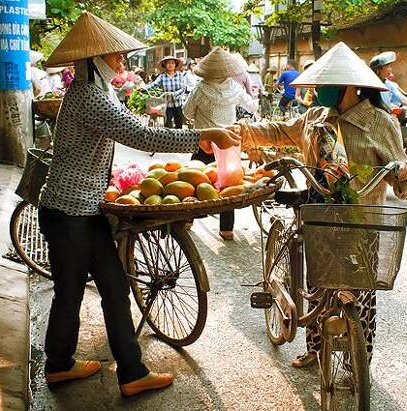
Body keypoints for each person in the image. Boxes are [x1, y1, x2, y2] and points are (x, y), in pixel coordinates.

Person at [39, 12, 240, 398]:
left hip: (86, 209)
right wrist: (201, 135)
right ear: (94, 59)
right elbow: (137, 132)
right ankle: (60, 365)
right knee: (72, 291)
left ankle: (128, 372)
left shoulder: (98, 91)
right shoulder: (87, 95)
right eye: (114, 56)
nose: (121, 62)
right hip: (68, 211)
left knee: (114, 287)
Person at [236, 42, 407, 368]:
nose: (317, 90)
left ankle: (357, 363)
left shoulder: (380, 122)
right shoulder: (315, 117)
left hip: (363, 222)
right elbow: (279, 131)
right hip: (319, 214)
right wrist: (242, 132)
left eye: (323, 85)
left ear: (347, 85)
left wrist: (404, 171)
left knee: (360, 296)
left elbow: (403, 181)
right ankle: (315, 348)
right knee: (318, 284)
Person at [183, 48, 258, 241]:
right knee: (228, 184)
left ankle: (187, 219)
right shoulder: (234, 87)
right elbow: (251, 106)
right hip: (227, 143)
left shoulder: (200, 88)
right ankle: (226, 229)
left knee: (194, 181)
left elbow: (187, 112)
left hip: (203, 142)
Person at [142, 56, 186, 128]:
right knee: (167, 124)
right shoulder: (162, 76)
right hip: (166, 104)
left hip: (178, 103)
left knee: (179, 124)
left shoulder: (180, 75)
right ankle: (168, 138)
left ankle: (179, 138)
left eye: (172, 63)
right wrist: (144, 88)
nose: (170, 65)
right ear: (165, 65)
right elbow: (154, 84)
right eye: (168, 63)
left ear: (175, 65)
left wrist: (173, 94)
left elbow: (183, 88)